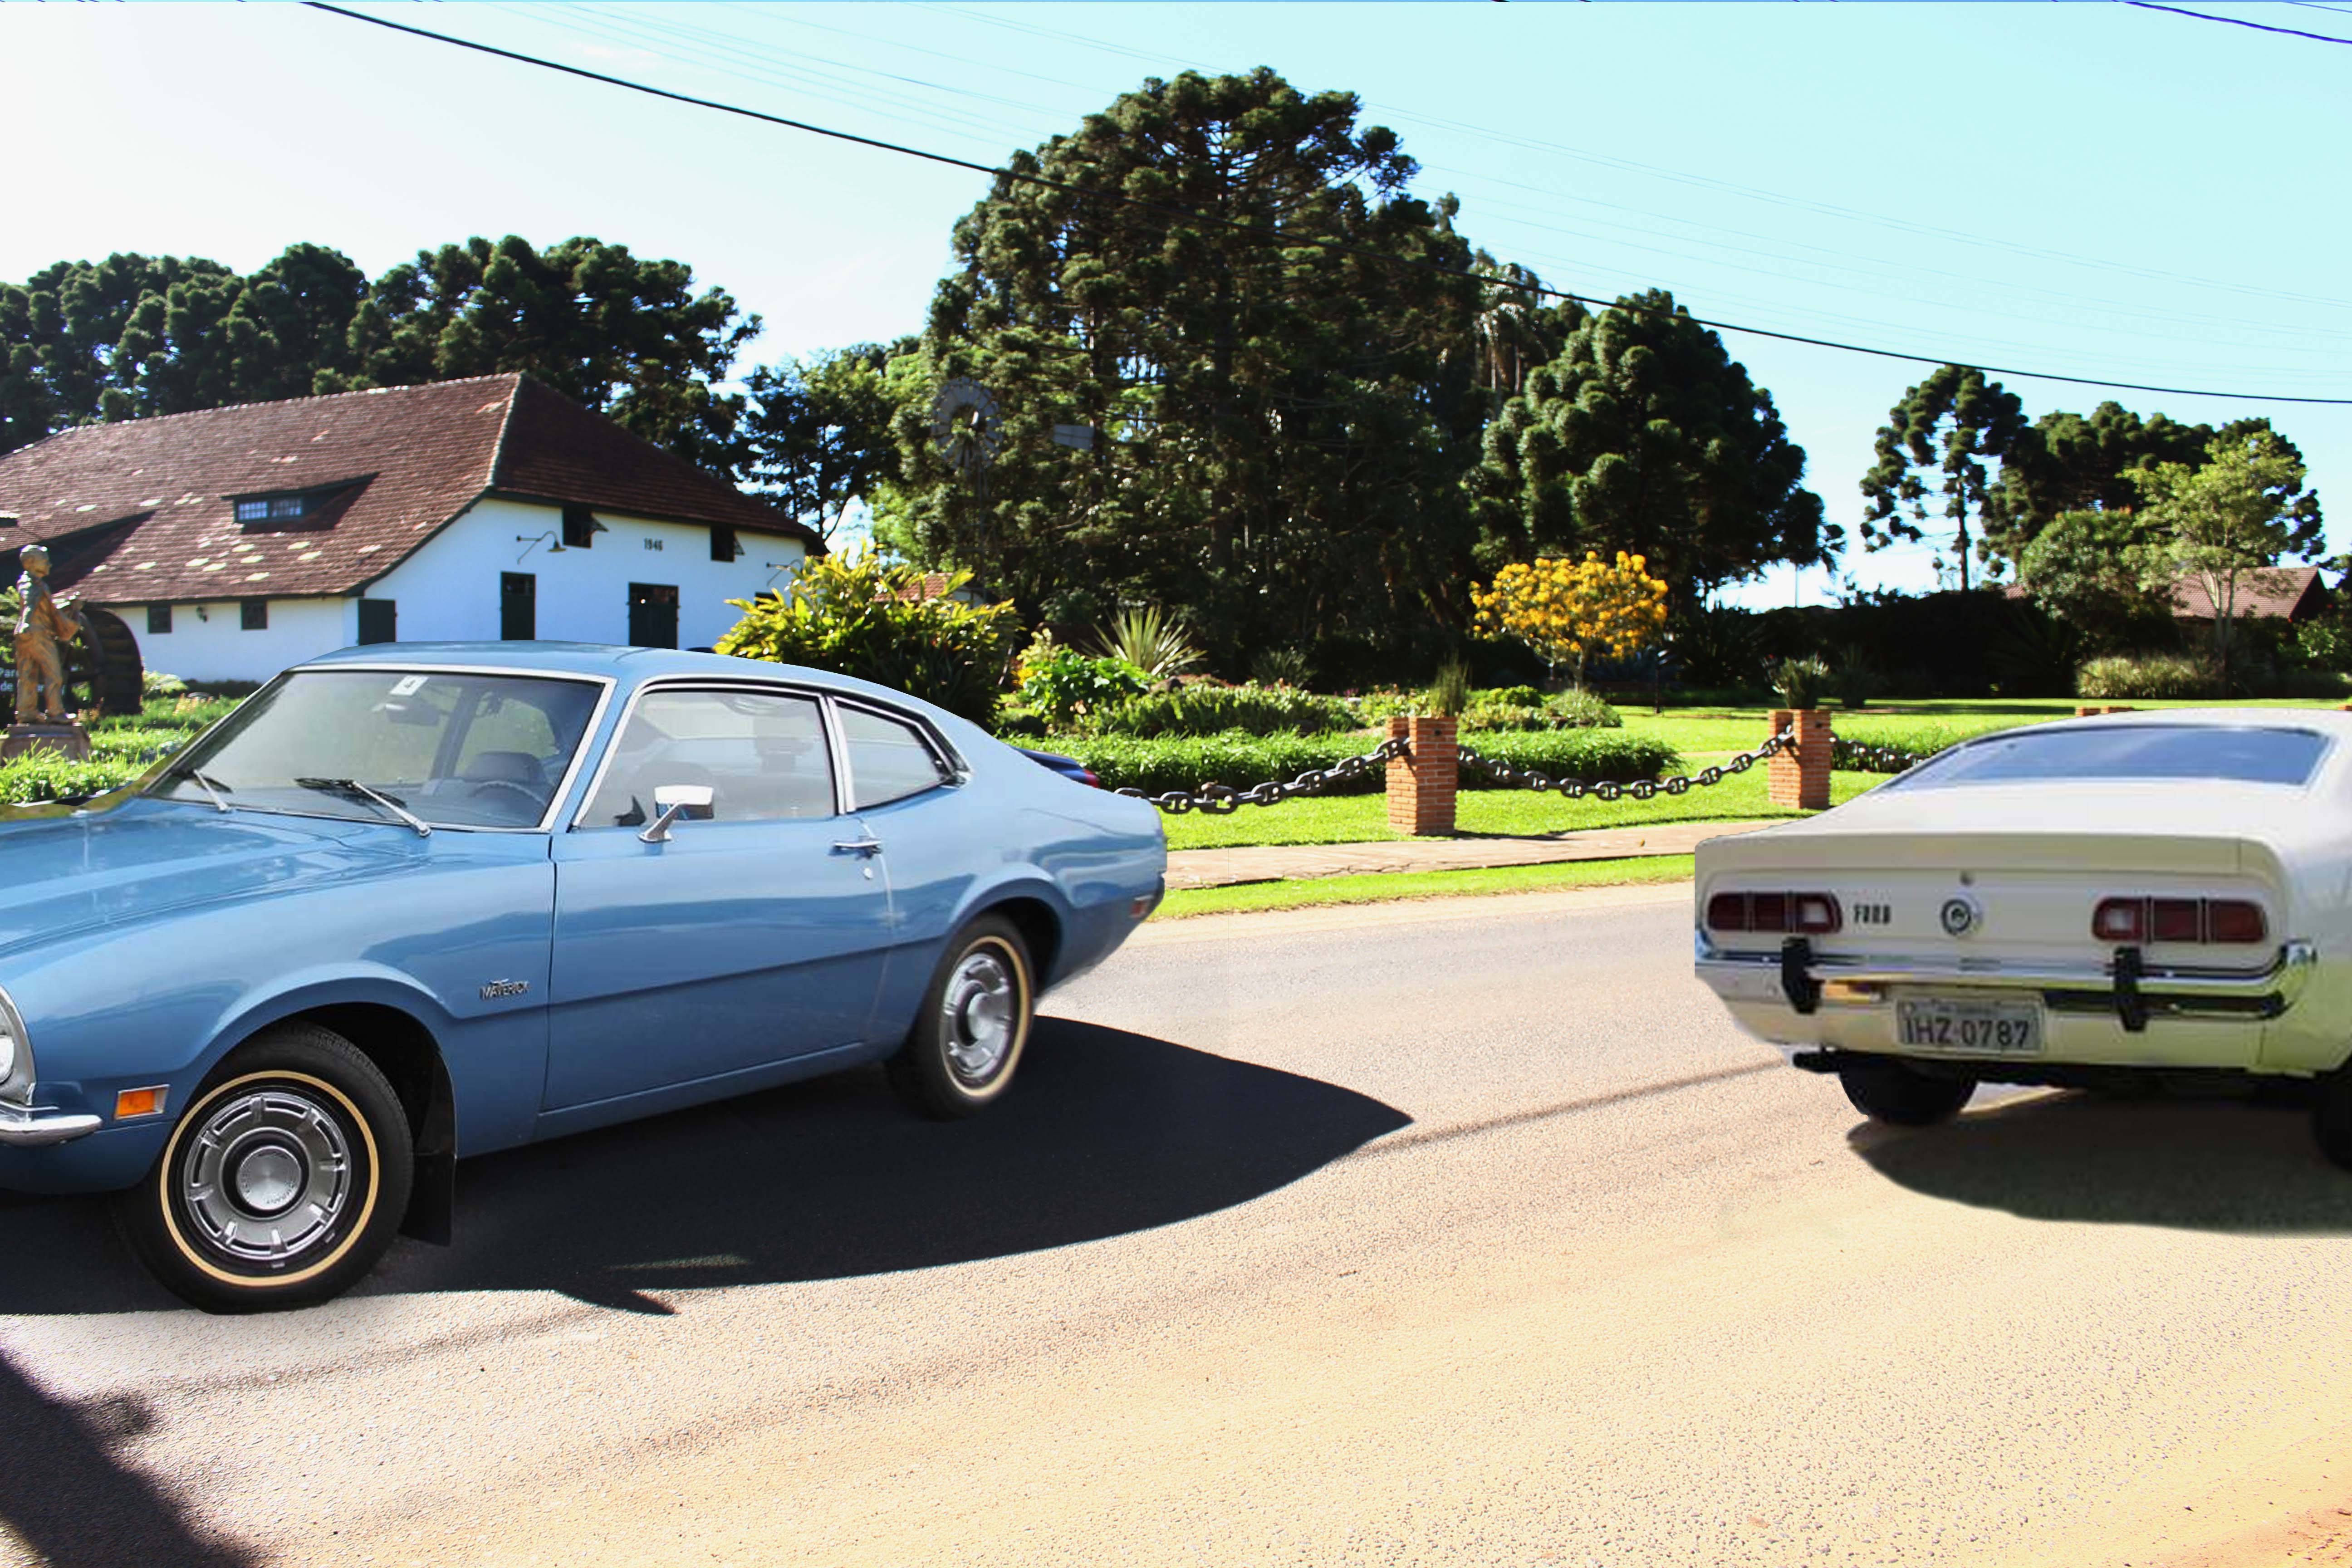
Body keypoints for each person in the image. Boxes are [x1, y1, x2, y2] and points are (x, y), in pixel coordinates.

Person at [13, 544, 81, 725]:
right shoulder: (34, 585)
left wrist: (68, 607)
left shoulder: (27, 581)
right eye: (45, 560)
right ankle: (56, 712)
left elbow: (45, 609)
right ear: (31, 563)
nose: (50, 564)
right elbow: (30, 602)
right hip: (38, 633)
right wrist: (28, 621)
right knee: (54, 673)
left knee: (27, 674)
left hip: (23, 633)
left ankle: (26, 712)